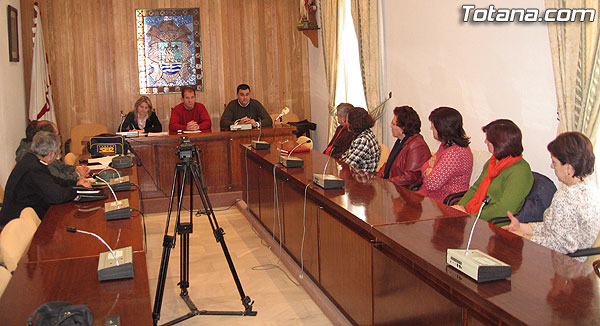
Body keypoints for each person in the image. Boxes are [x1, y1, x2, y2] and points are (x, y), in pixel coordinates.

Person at [502, 132, 600, 261]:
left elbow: (560, 246)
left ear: (568, 168)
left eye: (554, 162)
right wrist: (522, 227)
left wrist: (523, 237)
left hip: (564, 266)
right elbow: (556, 228)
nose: (551, 166)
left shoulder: (566, 197)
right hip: (573, 261)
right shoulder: (590, 187)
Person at [1, 132, 91, 227]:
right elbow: (56, 196)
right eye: (57, 152)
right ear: (52, 154)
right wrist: (79, 189)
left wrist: (76, 183)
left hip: (24, 215)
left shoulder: (31, 159)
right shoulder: (34, 169)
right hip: (17, 224)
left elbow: (53, 180)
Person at [454, 119, 533, 221]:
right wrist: (458, 209)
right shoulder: (493, 161)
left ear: (500, 143)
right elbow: (475, 188)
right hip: (474, 215)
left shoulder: (520, 171)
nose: (485, 141)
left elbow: (504, 208)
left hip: (493, 224)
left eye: (488, 139)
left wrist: (472, 217)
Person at [416, 107, 473, 203]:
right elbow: (425, 165)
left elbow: (431, 184)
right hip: (430, 195)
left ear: (442, 128)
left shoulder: (454, 153)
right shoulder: (446, 145)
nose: (431, 128)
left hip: (443, 200)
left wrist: (429, 170)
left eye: (433, 126)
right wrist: (429, 169)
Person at [16, 120, 89, 182]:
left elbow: (60, 166)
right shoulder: (39, 153)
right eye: (57, 135)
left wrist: (76, 169)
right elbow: (55, 179)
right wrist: (77, 175)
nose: (59, 139)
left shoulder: (38, 147)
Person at [376, 106, 431, 187]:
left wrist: (384, 183)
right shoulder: (401, 141)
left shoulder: (417, 146)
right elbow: (388, 165)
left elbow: (410, 177)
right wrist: (376, 180)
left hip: (404, 192)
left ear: (403, 128)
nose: (391, 126)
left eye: (393, 124)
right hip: (392, 187)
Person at [341, 107, 380, 173]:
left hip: (361, 180)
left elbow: (347, 165)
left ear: (354, 122)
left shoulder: (363, 141)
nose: (346, 123)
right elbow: (345, 156)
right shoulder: (368, 133)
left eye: (347, 121)